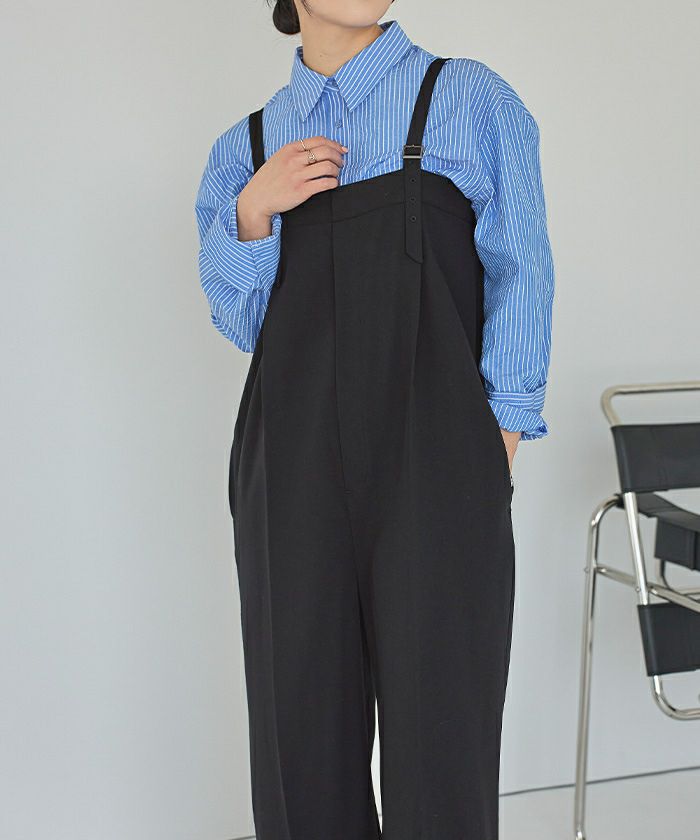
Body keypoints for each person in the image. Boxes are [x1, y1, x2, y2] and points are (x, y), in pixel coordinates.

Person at [194, 2, 555, 838]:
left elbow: (523, 264)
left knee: (443, 735)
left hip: (437, 453)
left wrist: (498, 434)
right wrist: (253, 214)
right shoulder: (246, 147)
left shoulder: (465, 96)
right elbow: (243, 322)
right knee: (299, 733)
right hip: (290, 462)